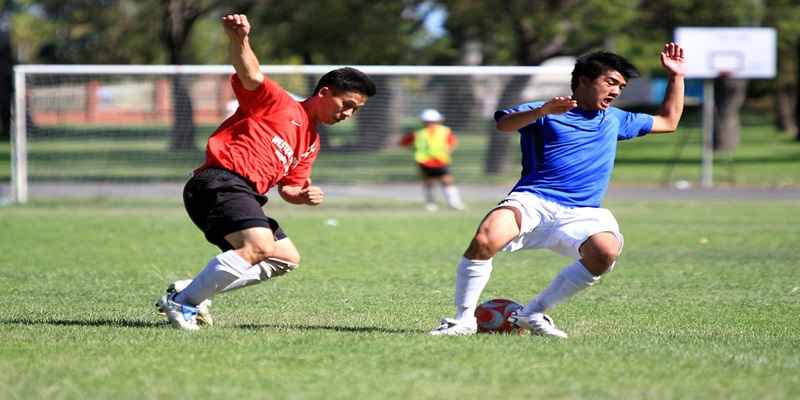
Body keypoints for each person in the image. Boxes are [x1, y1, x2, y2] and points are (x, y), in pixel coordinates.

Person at [430, 43, 685, 337]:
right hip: (533, 200)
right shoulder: (548, 110)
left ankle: (533, 313)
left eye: (621, 86)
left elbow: (669, 121)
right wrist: (542, 111)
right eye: (610, 82)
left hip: (583, 211)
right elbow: (504, 125)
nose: (616, 91)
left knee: (605, 252)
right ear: (584, 81)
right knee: (486, 238)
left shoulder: (615, 119)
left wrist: (676, 76)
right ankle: (463, 320)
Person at [156, 14, 376, 330]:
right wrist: (239, 39)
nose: (349, 113)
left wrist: (304, 195)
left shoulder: (311, 142)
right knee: (260, 246)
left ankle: (188, 291)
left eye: (356, 110)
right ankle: (183, 303)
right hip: (218, 181)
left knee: (284, 257)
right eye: (346, 104)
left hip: (242, 193)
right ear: (324, 92)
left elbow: (290, 189)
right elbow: (251, 73)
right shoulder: (279, 104)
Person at [398, 109, 465, 211]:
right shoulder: (418, 133)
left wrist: (448, 150)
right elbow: (403, 143)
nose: (431, 124)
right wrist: (413, 149)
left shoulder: (445, 131)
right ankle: (431, 204)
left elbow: (452, 142)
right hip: (424, 161)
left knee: (447, 181)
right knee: (429, 183)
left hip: (440, 161)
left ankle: (454, 203)